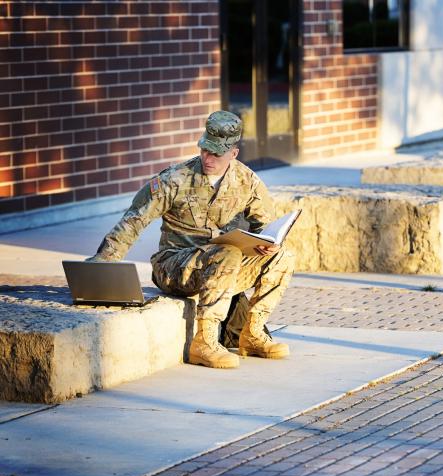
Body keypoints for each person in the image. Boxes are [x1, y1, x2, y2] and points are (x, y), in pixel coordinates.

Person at [87, 111, 295, 369]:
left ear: (234, 153)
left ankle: (251, 333)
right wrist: (101, 264)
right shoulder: (175, 179)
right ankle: (204, 341)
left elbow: (266, 224)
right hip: (174, 267)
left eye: (216, 153)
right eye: (205, 149)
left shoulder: (247, 181)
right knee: (227, 254)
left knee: (283, 256)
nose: (208, 158)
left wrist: (267, 242)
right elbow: (134, 220)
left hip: (220, 267)